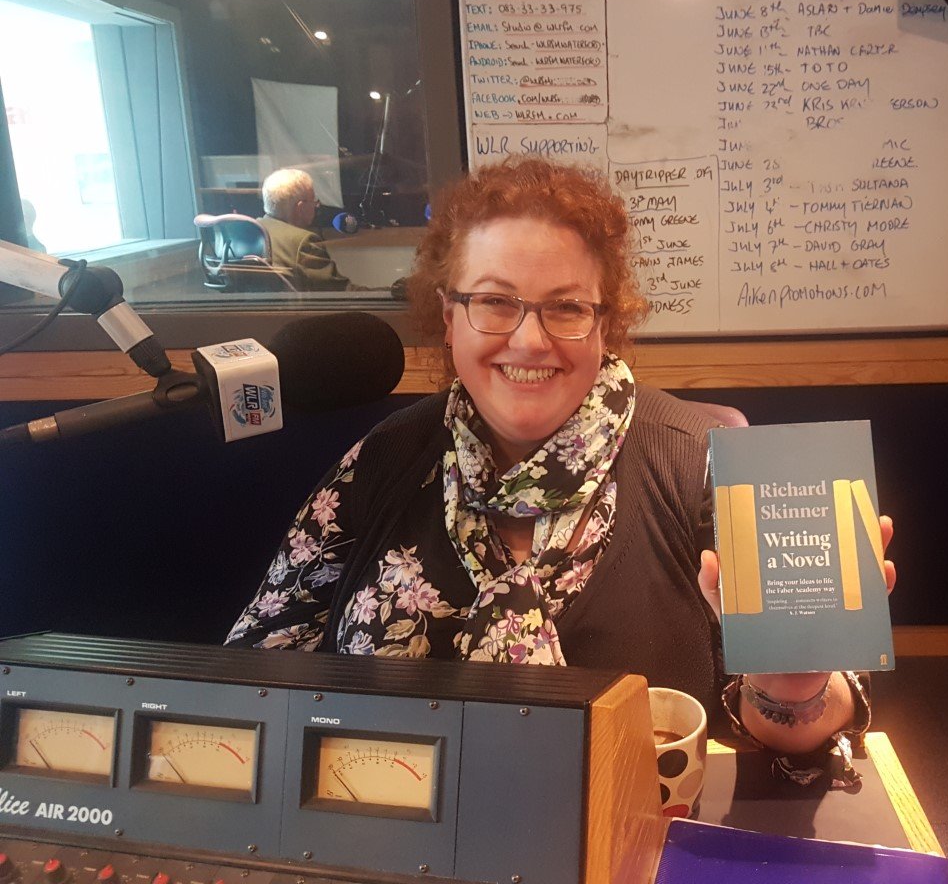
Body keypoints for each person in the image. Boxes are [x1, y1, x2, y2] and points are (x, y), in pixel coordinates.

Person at [226, 157, 895, 780]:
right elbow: (255, 672)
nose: (529, 340)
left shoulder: (704, 464)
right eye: (495, 301)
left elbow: (809, 740)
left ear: (605, 323)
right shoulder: (382, 460)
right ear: (449, 318)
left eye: (567, 307)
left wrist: (791, 688)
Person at [259, 168, 356, 291]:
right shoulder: (302, 241)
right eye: (314, 201)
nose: (317, 205)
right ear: (301, 208)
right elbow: (340, 292)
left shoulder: (251, 229)